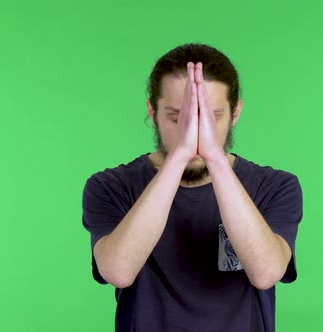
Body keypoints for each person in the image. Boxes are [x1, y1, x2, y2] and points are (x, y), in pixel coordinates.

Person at [82, 43, 304, 332]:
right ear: (152, 111)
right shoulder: (111, 186)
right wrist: (179, 156)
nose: (195, 130)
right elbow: (118, 271)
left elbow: (265, 273)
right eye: (178, 118)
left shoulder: (275, 186)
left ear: (235, 113)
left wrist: (215, 157)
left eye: (212, 117)